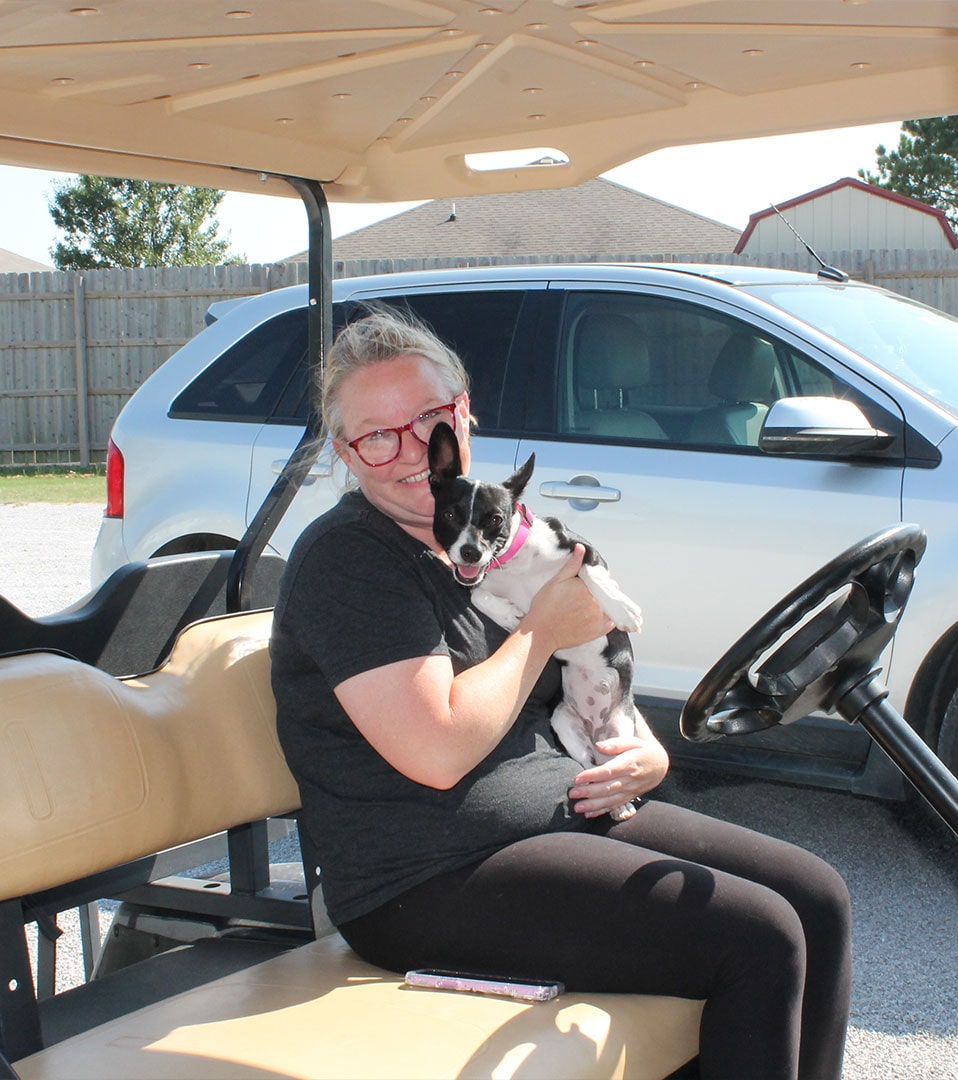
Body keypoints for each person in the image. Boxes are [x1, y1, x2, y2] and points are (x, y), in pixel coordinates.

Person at [269, 306, 853, 1080]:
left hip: (556, 817)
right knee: (759, 935)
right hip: (420, 880)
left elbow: (579, 670)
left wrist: (639, 748)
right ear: (346, 453)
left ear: (464, 415)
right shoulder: (348, 564)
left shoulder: (495, 536)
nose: (409, 450)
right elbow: (438, 749)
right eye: (376, 435)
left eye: (429, 420)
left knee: (817, 897)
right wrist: (538, 629)